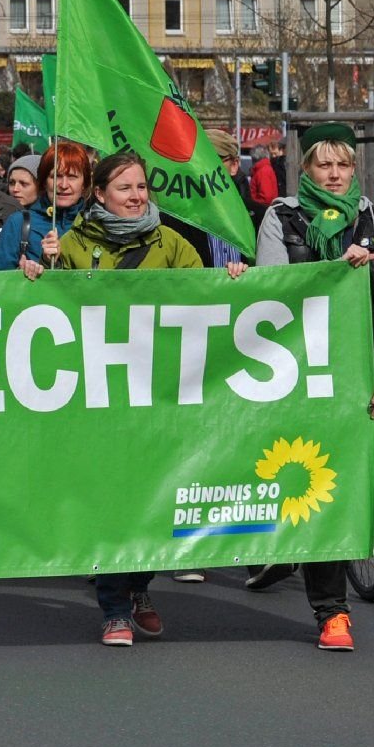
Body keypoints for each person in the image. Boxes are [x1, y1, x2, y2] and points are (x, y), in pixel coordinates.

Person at [52, 150, 227, 647]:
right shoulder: (71, 244)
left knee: (152, 499)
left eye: (141, 187)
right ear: (100, 193)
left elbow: (205, 300)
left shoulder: (172, 243)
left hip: (159, 394)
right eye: (125, 188)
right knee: (112, 499)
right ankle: (113, 609)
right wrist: (41, 274)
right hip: (101, 395)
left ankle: (138, 587)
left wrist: (230, 285)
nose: (136, 196)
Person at [248, 124, 374, 652]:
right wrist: (339, 269)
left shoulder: (373, 221)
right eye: (324, 164)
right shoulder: (281, 217)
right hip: (305, 380)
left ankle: (303, 554)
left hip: (363, 379)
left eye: (343, 165)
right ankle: (331, 613)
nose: (334, 175)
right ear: (306, 168)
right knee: (320, 492)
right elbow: (275, 293)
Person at [0, 141, 90, 275]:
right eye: (55, 176)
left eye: (72, 177)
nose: (63, 185)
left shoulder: (94, 225)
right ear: (44, 182)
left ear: (84, 184)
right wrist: (20, 274)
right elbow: (1, 282)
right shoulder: (18, 223)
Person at [249, 145, 278, 211]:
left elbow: (266, 198)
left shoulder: (263, 171)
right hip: (263, 209)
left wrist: (252, 203)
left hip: (262, 210)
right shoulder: (263, 169)